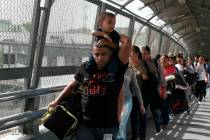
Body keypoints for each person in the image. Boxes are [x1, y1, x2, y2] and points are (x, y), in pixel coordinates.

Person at [48, 35, 131, 140]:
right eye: (96, 54)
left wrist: (111, 41)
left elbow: (127, 42)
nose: (100, 58)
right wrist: (56, 101)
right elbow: (72, 85)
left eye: (103, 54)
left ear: (110, 55)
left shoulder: (117, 69)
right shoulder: (86, 67)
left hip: (109, 126)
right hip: (85, 125)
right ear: (93, 54)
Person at [86, 12, 120, 82]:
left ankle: (110, 76)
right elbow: (92, 32)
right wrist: (104, 34)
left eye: (114, 23)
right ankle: (88, 74)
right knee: (91, 59)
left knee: (113, 62)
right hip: (99, 53)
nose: (112, 25)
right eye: (110, 23)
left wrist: (108, 43)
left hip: (110, 54)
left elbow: (116, 46)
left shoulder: (115, 34)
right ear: (101, 24)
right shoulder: (99, 31)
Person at [140, 46, 166, 138]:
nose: (142, 55)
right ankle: (142, 133)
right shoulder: (140, 62)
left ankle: (158, 126)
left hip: (155, 90)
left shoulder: (156, 62)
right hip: (144, 91)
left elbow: (162, 76)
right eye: (141, 53)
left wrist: (164, 90)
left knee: (155, 110)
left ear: (149, 54)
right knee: (143, 110)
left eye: (144, 54)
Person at [117, 66, 145, 140]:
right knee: (116, 127)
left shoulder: (130, 70)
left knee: (122, 123)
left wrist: (141, 103)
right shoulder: (111, 66)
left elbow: (136, 87)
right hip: (113, 102)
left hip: (126, 101)